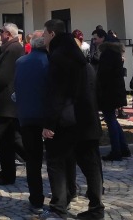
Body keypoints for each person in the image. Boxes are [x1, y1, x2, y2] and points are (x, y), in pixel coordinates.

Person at [41, 19, 104, 220]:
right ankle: (96, 207)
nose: (43, 38)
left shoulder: (58, 57)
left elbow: (56, 94)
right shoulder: (81, 59)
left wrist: (49, 124)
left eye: (44, 34)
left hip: (67, 121)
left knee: (56, 162)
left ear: (52, 34)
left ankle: (58, 207)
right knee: (90, 165)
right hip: (87, 119)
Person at [14, 32, 49, 212]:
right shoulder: (50, 61)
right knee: (55, 159)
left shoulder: (21, 62)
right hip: (48, 117)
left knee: (33, 161)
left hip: (27, 116)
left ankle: (36, 200)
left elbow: (16, 87)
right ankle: (62, 196)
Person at [0, 22, 25, 186]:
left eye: (2, 32)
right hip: (9, 103)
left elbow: (3, 77)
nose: (0, 35)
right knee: (12, 140)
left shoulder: (12, 50)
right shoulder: (10, 48)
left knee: (8, 140)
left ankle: (8, 174)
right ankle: (8, 173)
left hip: (8, 103)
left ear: (9, 35)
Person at [95, 33, 130, 161]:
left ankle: (117, 151)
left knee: (110, 120)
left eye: (96, 39)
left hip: (108, 92)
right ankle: (123, 148)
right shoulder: (116, 54)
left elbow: (104, 75)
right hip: (115, 91)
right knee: (112, 120)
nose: (95, 41)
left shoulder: (107, 54)